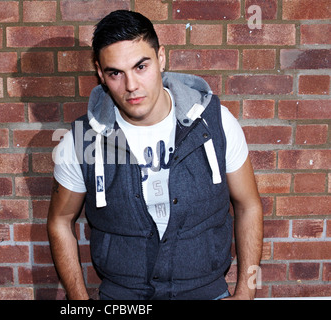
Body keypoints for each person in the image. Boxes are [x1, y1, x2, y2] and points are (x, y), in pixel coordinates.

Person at [47, 10, 263, 300]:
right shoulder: (81, 141)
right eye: (115, 73)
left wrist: (246, 294)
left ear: (161, 58)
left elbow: (249, 206)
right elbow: (60, 221)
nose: (131, 85)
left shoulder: (215, 123)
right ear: (100, 73)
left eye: (140, 67)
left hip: (206, 292)